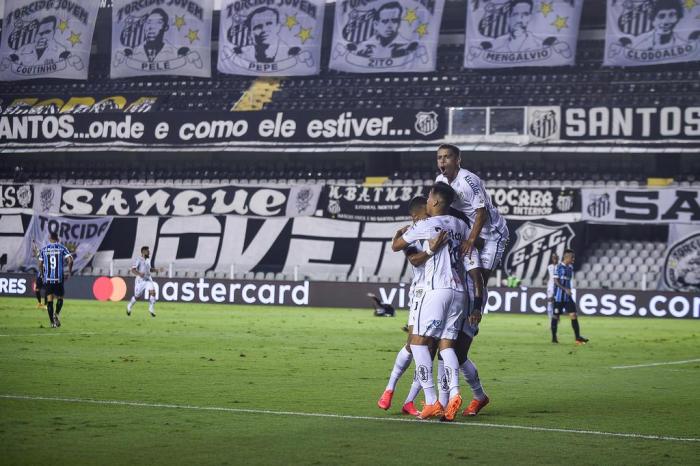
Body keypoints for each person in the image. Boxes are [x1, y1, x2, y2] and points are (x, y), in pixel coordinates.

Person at [391, 182, 468, 421]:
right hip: (460, 292)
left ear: (434, 201)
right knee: (446, 346)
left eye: (428, 198)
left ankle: (433, 400)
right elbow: (476, 243)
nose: (425, 202)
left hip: (438, 289)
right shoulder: (460, 224)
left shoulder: (426, 225)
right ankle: (454, 392)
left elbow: (398, 246)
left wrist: (398, 235)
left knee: (417, 344)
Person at [377, 195, 448, 416]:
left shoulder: (436, 227)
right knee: (413, 345)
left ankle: (409, 401)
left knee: (431, 348)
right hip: (421, 293)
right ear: (419, 213)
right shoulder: (415, 232)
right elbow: (412, 258)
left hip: (437, 293)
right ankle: (389, 389)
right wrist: (430, 249)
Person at [435, 143, 509, 297]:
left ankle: (475, 314)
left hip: (493, 234)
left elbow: (481, 214)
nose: (442, 161)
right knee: (467, 279)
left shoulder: (468, 181)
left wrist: (470, 240)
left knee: (480, 281)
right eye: (439, 157)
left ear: (458, 160)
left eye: (447, 157)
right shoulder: (440, 180)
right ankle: (464, 316)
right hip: (473, 230)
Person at [552, 249, 589, 345]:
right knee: (556, 316)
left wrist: (568, 289)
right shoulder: (559, 267)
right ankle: (554, 338)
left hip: (567, 297)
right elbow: (556, 281)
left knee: (574, 315)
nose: (573, 259)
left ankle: (577, 338)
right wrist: (565, 289)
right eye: (572, 257)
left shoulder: (570, 268)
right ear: (566, 257)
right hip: (559, 297)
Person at [37, 232, 73, 328]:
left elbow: (40, 264)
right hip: (59, 279)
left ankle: (52, 323)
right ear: (57, 238)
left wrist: (41, 273)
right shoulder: (62, 248)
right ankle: (56, 314)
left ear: (49, 238)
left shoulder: (44, 249)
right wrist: (69, 271)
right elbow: (70, 259)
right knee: (60, 298)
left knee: (49, 300)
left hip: (48, 279)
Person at [127, 246, 159, 317]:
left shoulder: (148, 260)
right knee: (137, 296)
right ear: (144, 252)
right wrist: (139, 274)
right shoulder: (138, 259)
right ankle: (129, 306)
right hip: (140, 281)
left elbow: (149, 269)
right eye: (148, 251)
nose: (149, 252)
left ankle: (151, 308)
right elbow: (133, 270)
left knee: (153, 292)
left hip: (148, 279)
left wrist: (157, 270)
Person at [546, 253, 559, 322]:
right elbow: (548, 276)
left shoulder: (560, 267)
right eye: (553, 258)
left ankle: (556, 316)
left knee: (557, 304)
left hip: (557, 287)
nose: (555, 259)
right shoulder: (549, 267)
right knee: (550, 302)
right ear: (552, 259)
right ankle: (550, 319)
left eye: (556, 258)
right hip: (550, 287)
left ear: (558, 259)